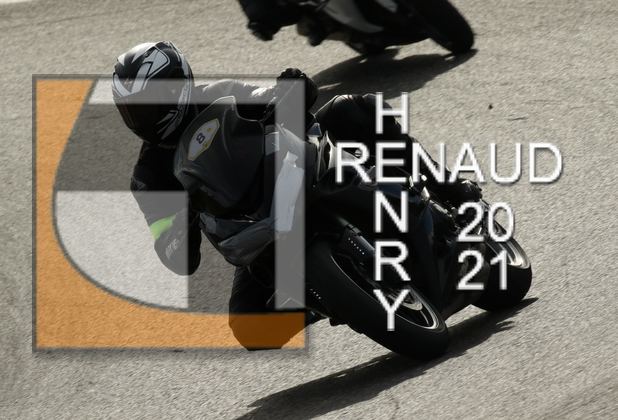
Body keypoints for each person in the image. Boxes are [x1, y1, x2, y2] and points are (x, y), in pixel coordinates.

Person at [112, 41, 479, 350]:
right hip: (252, 232)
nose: (140, 119)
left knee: (351, 109)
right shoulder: (147, 178)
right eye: (131, 111)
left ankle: (448, 186)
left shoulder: (220, 94)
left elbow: (275, 101)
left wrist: (291, 91)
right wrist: (179, 227)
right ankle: (332, 295)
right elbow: (175, 256)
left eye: (147, 105)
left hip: (296, 172)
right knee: (250, 328)